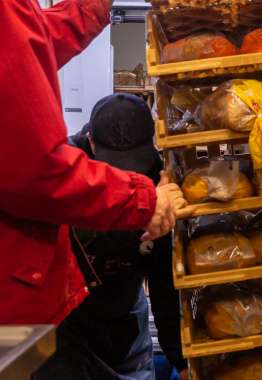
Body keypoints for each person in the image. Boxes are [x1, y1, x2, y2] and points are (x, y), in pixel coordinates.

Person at [0, 0, 184, 325]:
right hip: (22, 305)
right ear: (91, 142)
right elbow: (36, 173)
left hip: (58, 301)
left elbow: (27, 44)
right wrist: (143, 202)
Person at [33, 94, 188, 380]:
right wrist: (141, 213)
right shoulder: (63, 169)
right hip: (61, 321)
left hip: (123, 313)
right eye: (117, 165)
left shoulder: (159, 180)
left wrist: (179, 359)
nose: (129, 173)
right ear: (91, 142)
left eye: (136, 163)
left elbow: (164, 281)